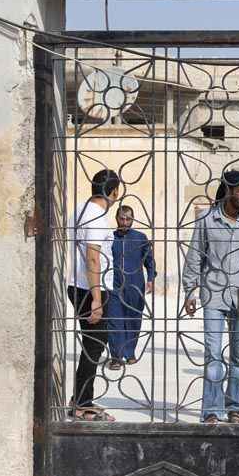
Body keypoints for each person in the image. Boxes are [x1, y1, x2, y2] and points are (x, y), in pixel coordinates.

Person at [182, 170, 239, 424]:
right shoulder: (207, 219)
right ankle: (211, 410)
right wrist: (190, 291)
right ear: (229, 190)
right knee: (213, 355)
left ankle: (235, 408)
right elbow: (195, 256)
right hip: (214, 295)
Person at [67, 168, 122, 421]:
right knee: (94, 345)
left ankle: (81, 399)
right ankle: (81, 404)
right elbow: (92, 258)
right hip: (91, 288)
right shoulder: (97, 217)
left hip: (78, 285)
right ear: (114, 192)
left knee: (93, 344)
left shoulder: (79, 210)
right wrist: (97, 299)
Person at [105, 205, 155, 370]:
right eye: (122, 218)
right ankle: (116, 357)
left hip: (135, 285)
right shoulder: (110, 238)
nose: (125, 222)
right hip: (114, 285)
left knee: (133, 319)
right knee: (115, 321)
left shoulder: (140, 238)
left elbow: (149, 260)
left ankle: (130, 352)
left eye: (128, 219)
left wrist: (151, 278)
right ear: (116, 218)